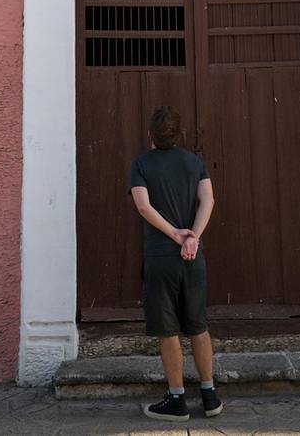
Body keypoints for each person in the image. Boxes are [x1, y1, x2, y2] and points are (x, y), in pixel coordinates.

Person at [128, 104, 223, 422]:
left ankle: (177, 400)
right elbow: (208, 200)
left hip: (160, 258)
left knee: (168, 331)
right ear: (179, 134)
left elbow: (143, 206)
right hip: (192, 259)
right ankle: (210, 396)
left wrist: (174, 234)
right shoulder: (194, 163)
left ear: (150, 135)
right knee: (199, 326)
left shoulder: (141, 164)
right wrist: (193, 237)